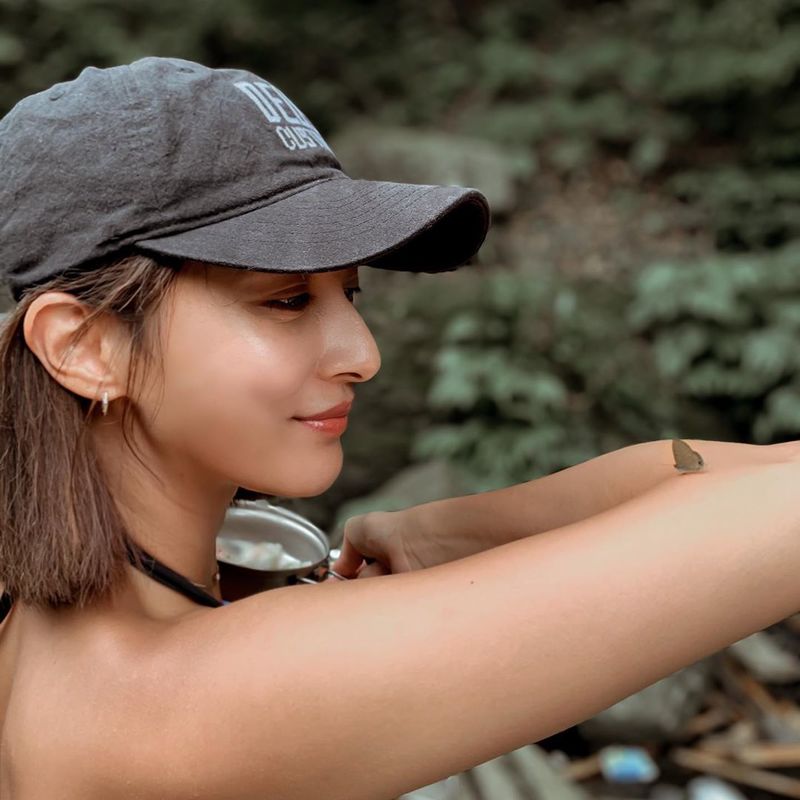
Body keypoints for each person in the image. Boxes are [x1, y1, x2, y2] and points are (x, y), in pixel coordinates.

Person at [0, 55, 798, 800]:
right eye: (285, 300)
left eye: (352, 295)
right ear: (84, 348)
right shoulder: (172, 705)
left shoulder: (66, 625)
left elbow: (733, 474)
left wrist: (456, 532)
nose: (364, 355)